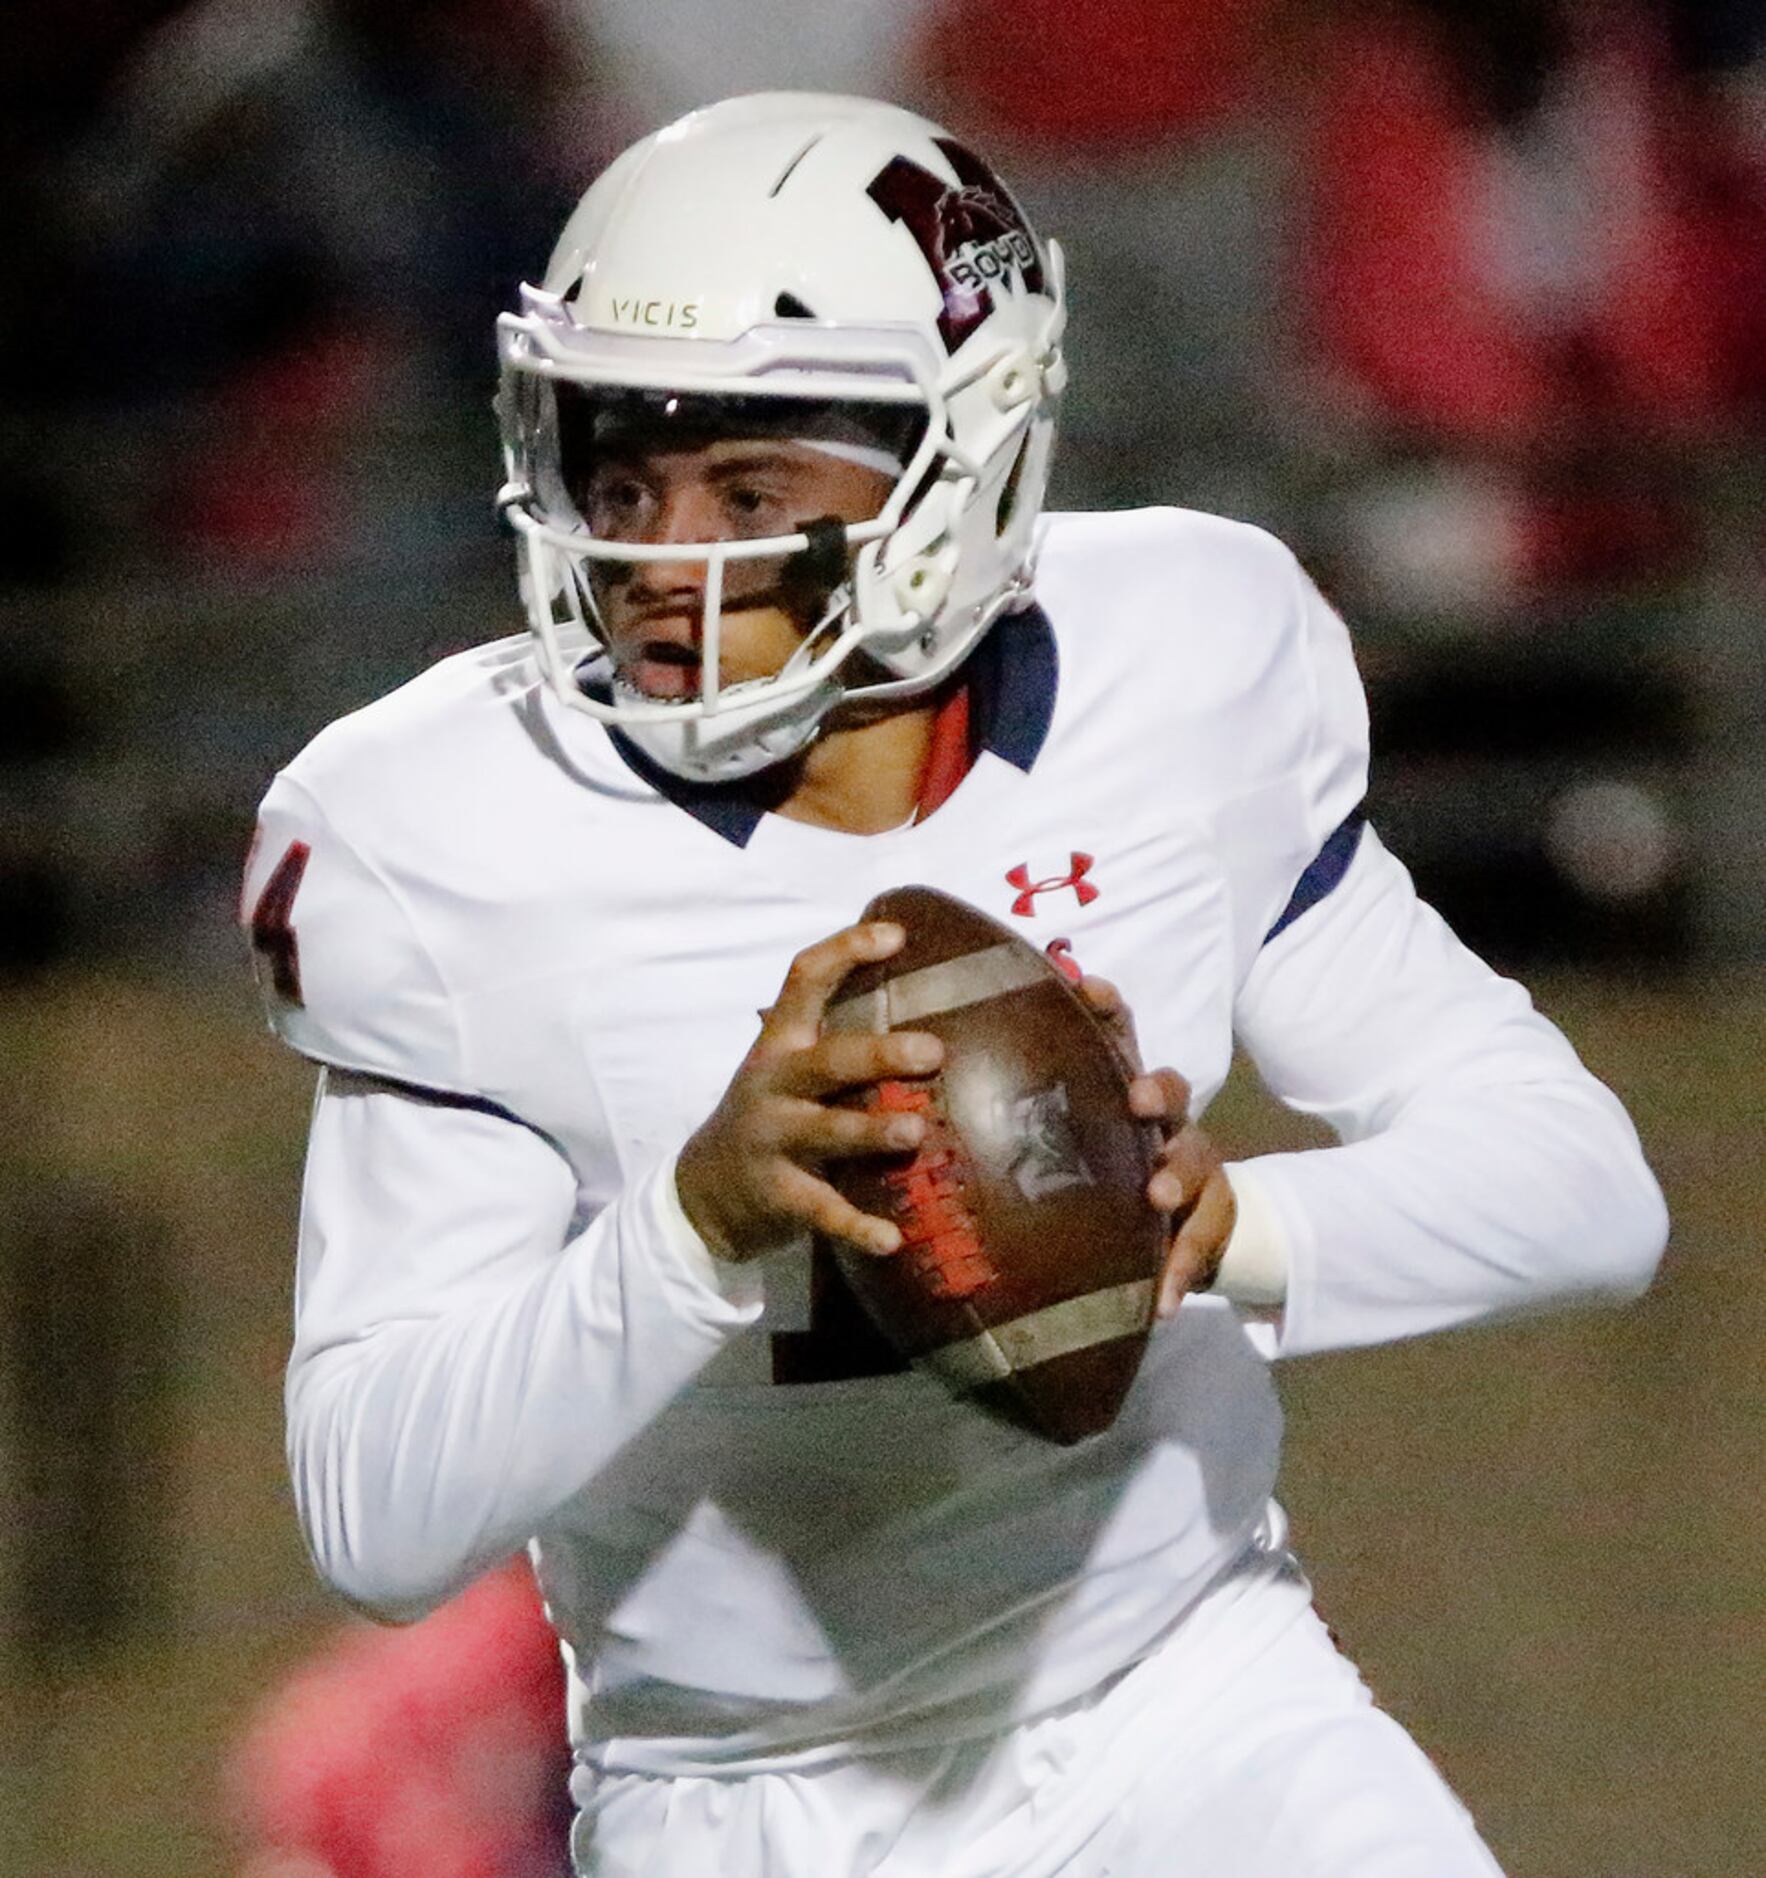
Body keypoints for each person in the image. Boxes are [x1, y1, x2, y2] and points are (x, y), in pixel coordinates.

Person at [243, 93, 1668, 1877]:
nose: (657, 560)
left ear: (965, 458)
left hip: (1186, 1698)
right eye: (623, 477)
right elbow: (373, 1511)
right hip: (744, 1790)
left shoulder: (1186, 668)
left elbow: (1584, 1193)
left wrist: (1212, 1224)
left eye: (749, 486)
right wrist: (691, 1222)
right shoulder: (444, 835)